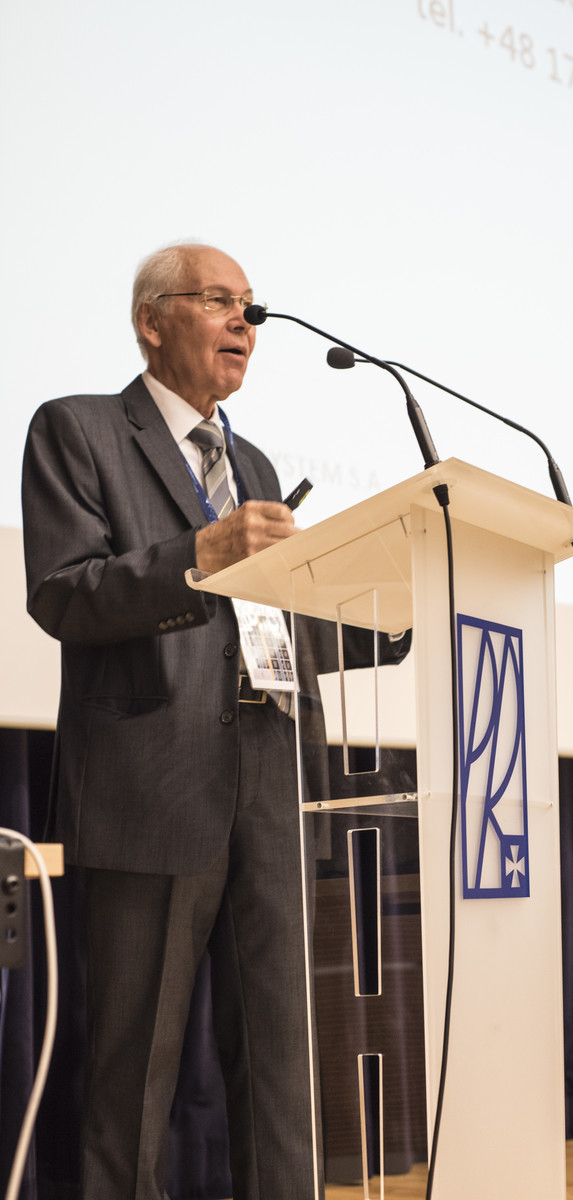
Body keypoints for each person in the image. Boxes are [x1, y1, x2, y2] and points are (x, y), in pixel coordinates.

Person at [22, 243, 326, 1199]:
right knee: (132, 1078)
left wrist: (386, 609)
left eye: (251, 307)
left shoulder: (255, 462)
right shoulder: (77, 429)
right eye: (218, 301)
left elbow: (272, 620)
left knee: (280, 1066)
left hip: (269, 778)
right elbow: (63, 594)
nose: (244, 322)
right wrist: (199, 553)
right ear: (152, 321)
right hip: (151, 781)